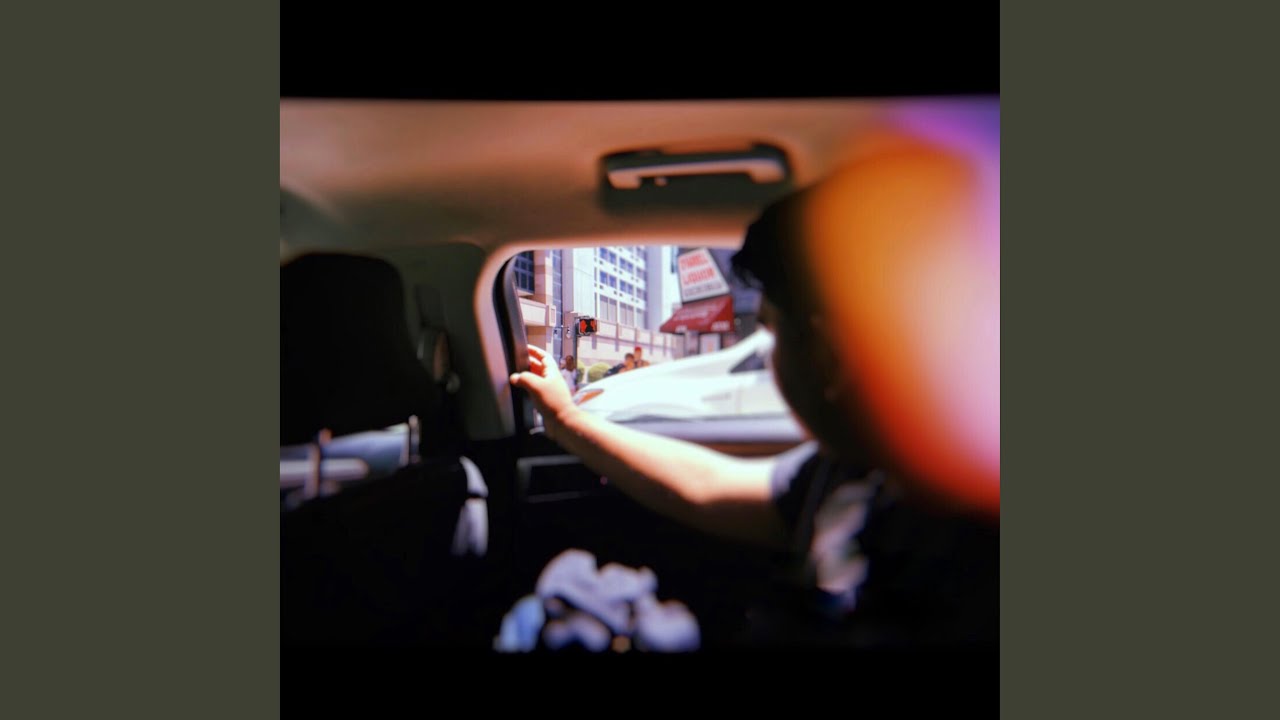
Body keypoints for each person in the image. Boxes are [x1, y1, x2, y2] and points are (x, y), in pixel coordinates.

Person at [510, 132, 999, 649]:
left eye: (773, 332)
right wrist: (567, 421)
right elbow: (710, 485)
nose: (768, 355)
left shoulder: (963, 553)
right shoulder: (853, 468)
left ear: (827, 357)